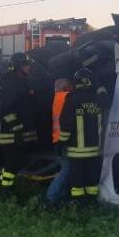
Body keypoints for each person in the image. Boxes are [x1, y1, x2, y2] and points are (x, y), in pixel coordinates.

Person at [57, 67, 103, 199]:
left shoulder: (72, 100)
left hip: (76, 152)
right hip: (95, 151)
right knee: (92, 180)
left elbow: (66, 125)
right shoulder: (99, 99)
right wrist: (100, 86)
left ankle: (78, 203)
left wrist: (60, 144)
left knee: (77, 182)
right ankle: (91, 202)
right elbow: (106, 98)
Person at [0, 53, 36, 189]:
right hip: (10, 132)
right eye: (26, 65)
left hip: (17, 131)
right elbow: (6, 108)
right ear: (18, 66)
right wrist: (16, 128)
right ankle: (6, 190)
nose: (29, 67)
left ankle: (4, 184)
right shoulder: (11, 82)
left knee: (15, 162)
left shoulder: (20, 80)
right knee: (12, 163)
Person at [45, 77, 73, 205]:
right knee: (67, 170)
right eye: (71, 86)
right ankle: (52, 196)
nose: (73, 88)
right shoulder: (67, 98)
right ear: (66, 88)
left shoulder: (56, 98)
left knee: (65, 169)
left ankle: (61, 195)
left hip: (58, 139)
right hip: (64, 139)